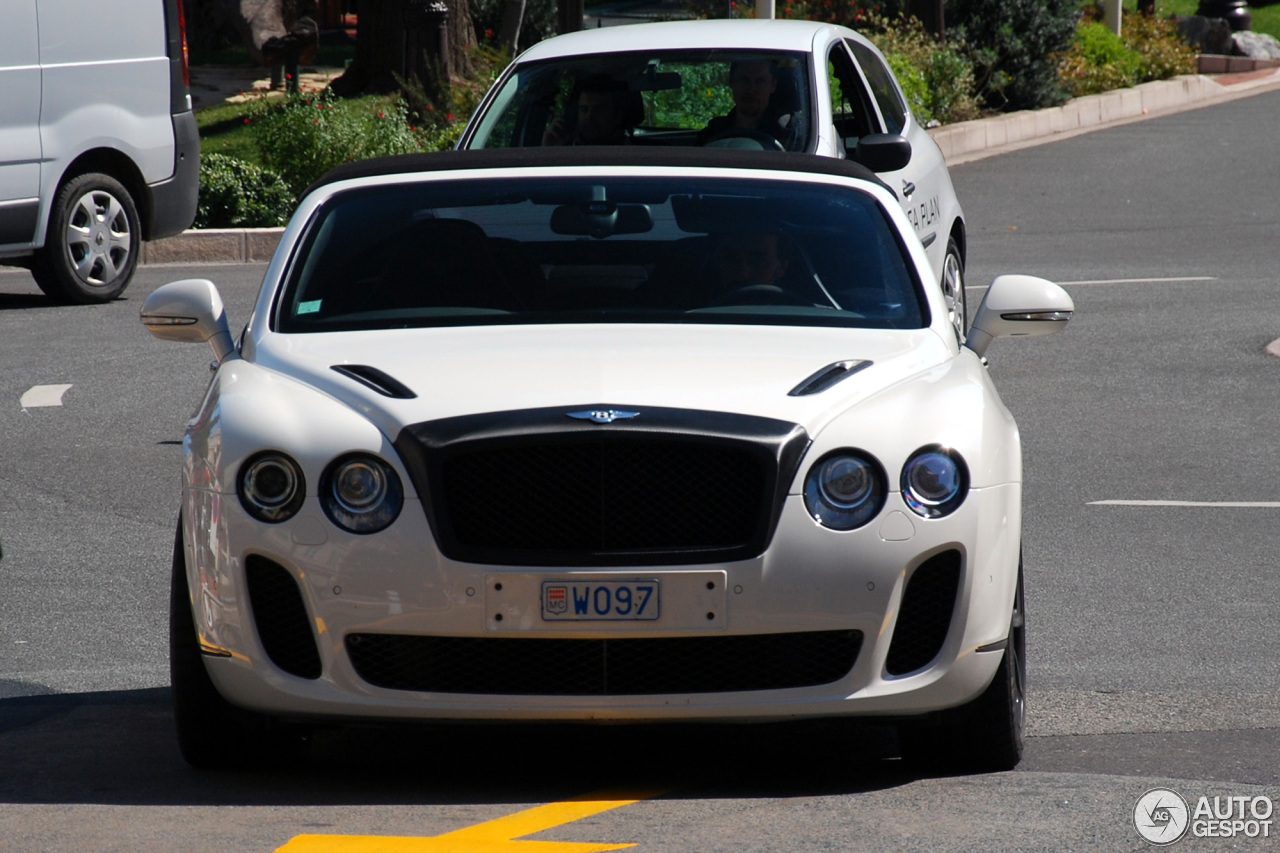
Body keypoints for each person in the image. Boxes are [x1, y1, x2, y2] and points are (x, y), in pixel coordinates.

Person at [696, 59, 798, 149]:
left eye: (760, 81)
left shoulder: (789, 131)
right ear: (732, 82)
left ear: (773, 86)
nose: (751, 89)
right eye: (743, 80)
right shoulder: (714, 131)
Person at [542, 76, 638, 146]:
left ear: (617, 116)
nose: (589, 116)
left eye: (599, 110)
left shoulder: (634, 156)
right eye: (584, 109)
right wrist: (549, 149)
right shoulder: (566, 148)